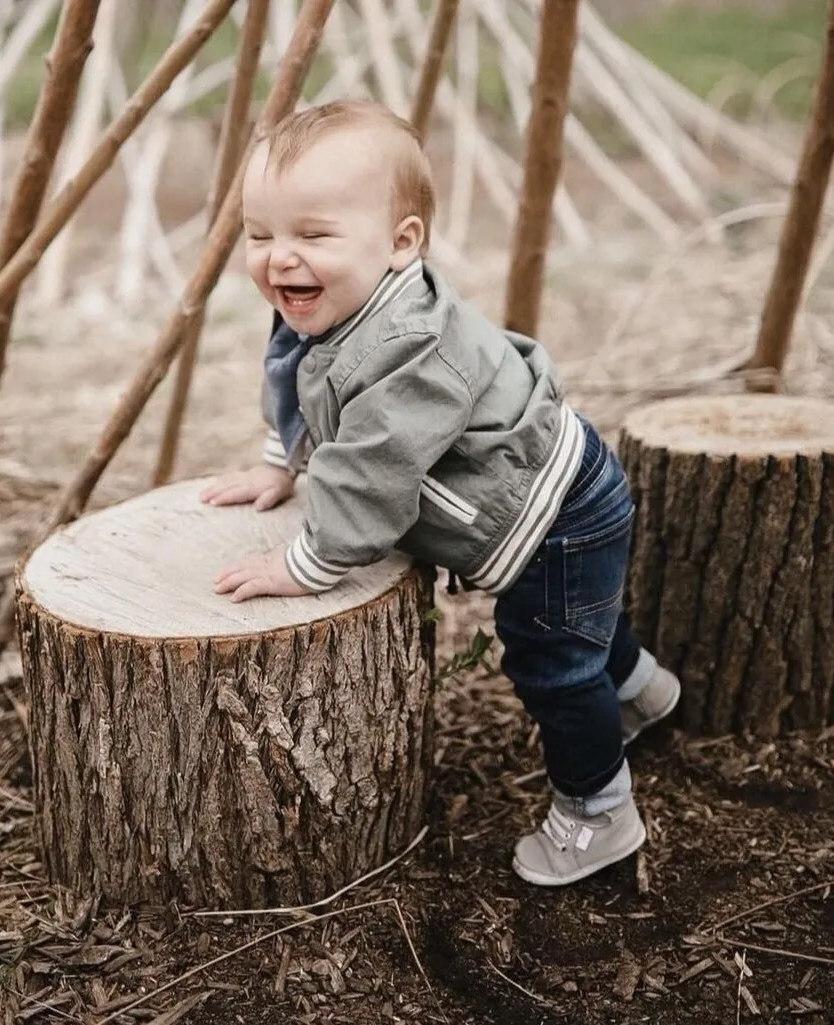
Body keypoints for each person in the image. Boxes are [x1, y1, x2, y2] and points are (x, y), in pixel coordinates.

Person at [199, 99, 680, 886]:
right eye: (261, 235)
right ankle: (640, 691)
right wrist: (279, 463)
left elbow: (372, 471)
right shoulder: (327, 302)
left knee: (551, 658)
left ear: (400, 243)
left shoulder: (408, 351)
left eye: (312, 234)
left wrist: (308, 563)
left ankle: (598, 813)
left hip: (550, 514)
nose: (279, 259)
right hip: (556, 489)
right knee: (580, 620)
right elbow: (298, 385)